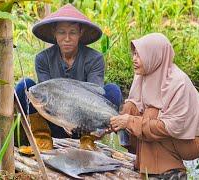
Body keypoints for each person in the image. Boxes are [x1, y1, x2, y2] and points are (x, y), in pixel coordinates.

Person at [15, 4, 122, 151]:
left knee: (112, 90)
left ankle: (88, 140)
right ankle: (42, 139)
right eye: (61, 32)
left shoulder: (95, 58)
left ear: (81, 33)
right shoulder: (42, 58)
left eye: (72, 32)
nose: (67, 38)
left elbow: (96, 93)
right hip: (54, 119)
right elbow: (46, 96)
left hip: (86, 121)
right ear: (54, 33)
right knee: (24, 86)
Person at [109, 33, 199, 179]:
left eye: (139, 55)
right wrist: (116, 121)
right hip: (172, 133)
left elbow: (173, 127)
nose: (134, 59)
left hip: (194, 139)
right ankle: (146, 165)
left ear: (155, 56)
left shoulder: (178, 82)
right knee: (130, 108)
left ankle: (171, 171)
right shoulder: (143, 74)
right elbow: (134, 107)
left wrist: (130, 121)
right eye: (134, 54)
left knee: (150, 115)